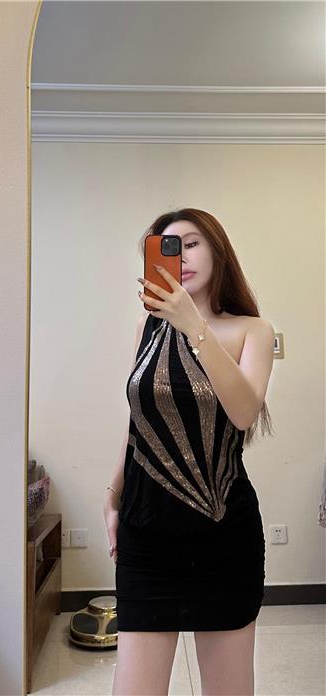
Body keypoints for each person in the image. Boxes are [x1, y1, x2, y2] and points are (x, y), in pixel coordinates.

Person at [103, 208, 275, 696]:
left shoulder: (253, 330)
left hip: (223, 537)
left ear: (218, 251)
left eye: (192, 243)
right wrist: (111, 495)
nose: (181, 256)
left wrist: (193, 325)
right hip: (145, 536)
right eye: (169, 248)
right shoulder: (148, 329)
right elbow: (139, 420)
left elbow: (243, 412)